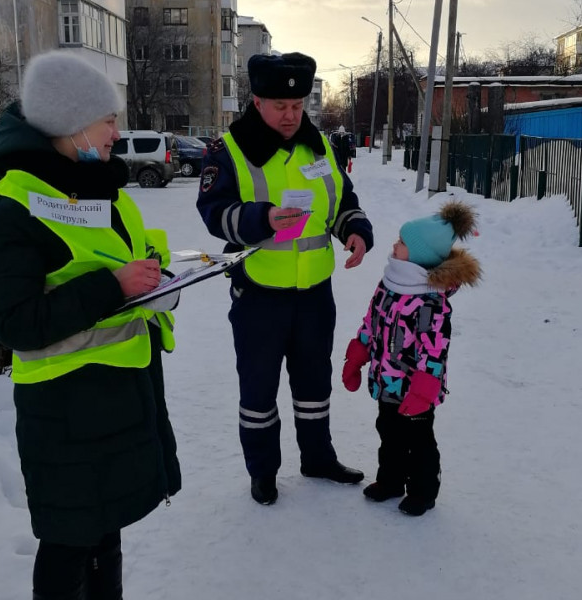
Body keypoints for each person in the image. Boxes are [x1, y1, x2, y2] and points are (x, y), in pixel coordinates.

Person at [0, 51, 181, 600]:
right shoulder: (9, 208)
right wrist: (116, 286)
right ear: (71, 123)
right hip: (65, 414)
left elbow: (128, 257)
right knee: (68, 544)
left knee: (106, 534)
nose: (116, 134)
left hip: (121, 400)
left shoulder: (101, 188)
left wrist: (161, 276)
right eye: (108, 120)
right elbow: (14, 322)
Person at [196, 52, 374, 506]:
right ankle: (263, 471)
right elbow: (214, 214)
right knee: (258, 389)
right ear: (257, 101)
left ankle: (317, 458)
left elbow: (341, 200)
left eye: (298, 105)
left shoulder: (320, 147)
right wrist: (263, 218)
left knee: (314, 383)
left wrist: (353, 230)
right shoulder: (229, 149)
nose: (291, 115)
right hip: (259, 292)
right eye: (281, 106)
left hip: (315, 293)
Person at [342, 199, 481, 516]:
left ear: (419, 256)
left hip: (416, 388)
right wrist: (358, 353)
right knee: (388, 432)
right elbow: (372, 320)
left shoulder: (430, 300)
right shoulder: (391, 282)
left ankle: (423, 490)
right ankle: (390, 481)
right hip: (386, 379)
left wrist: (423, 388)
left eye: (402, 242)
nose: (394, 245)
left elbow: (435, 348)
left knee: (418, 440)